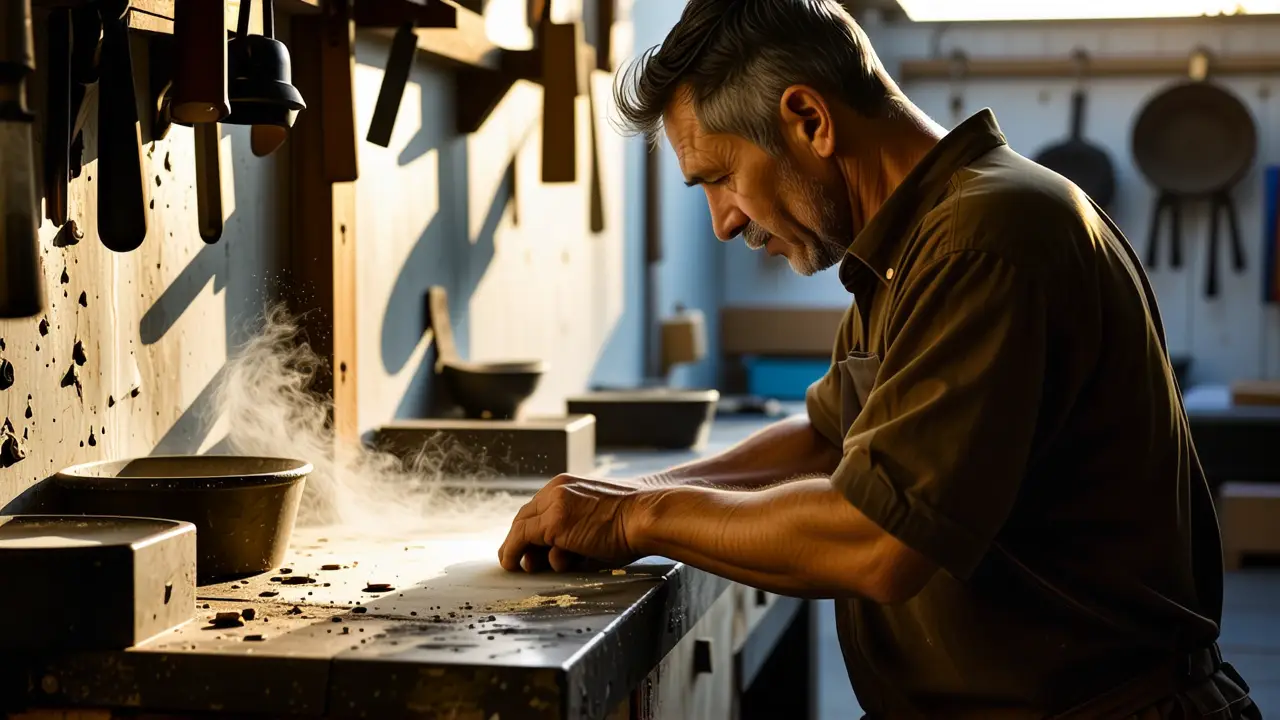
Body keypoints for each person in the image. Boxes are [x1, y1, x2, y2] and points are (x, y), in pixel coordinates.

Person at [498, 1, 1259, 717]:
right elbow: (828, 439)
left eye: (721, 178)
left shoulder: (983, 238)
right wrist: (641, 489)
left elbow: (878, 539)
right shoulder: (910, 246)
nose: (723, 221)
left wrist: (636, 517)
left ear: (809, 120)